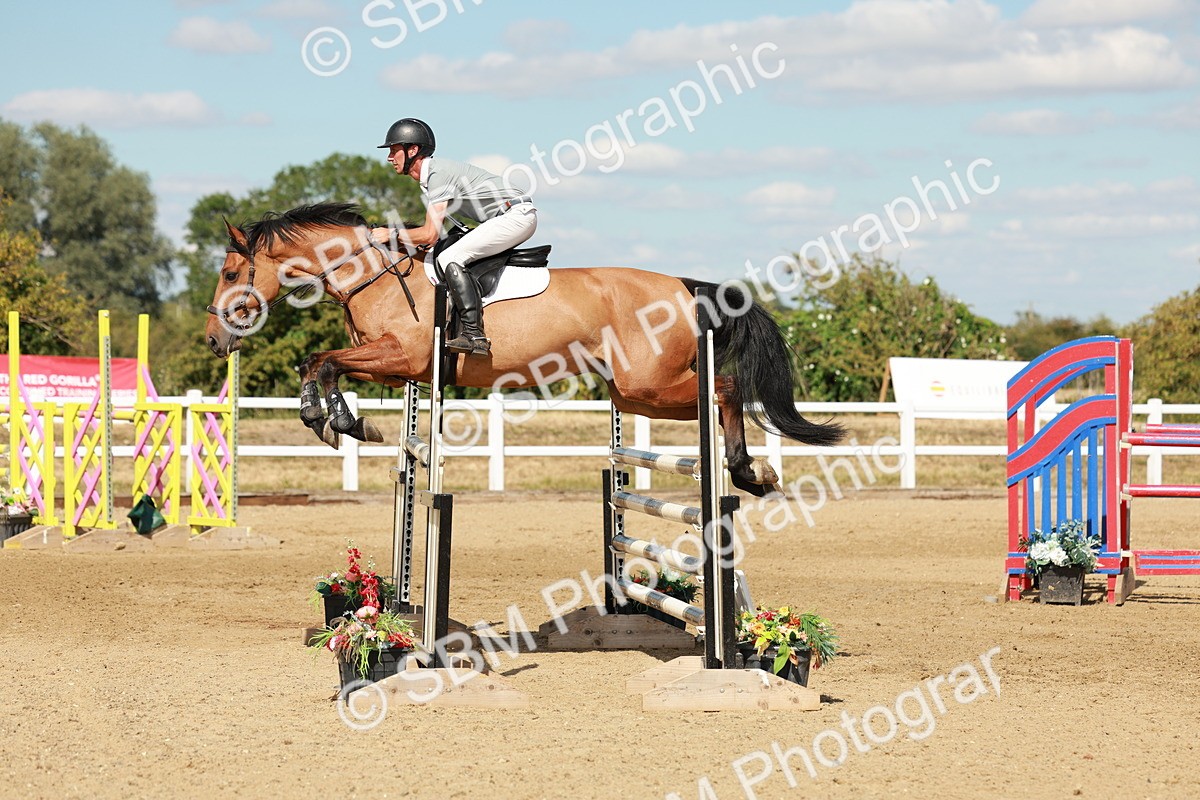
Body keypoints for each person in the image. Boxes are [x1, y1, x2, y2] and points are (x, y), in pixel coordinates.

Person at [371, 118, 537, 356]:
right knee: (444, 252)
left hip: (516, 216)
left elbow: (429, 233)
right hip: (508, 216)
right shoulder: (430, 179)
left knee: (450, 257)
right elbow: (430, 241)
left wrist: (390, 233)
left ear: (413, 150)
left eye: (394, 150)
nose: (389, 157)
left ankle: (474, 335)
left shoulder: (438, 174)